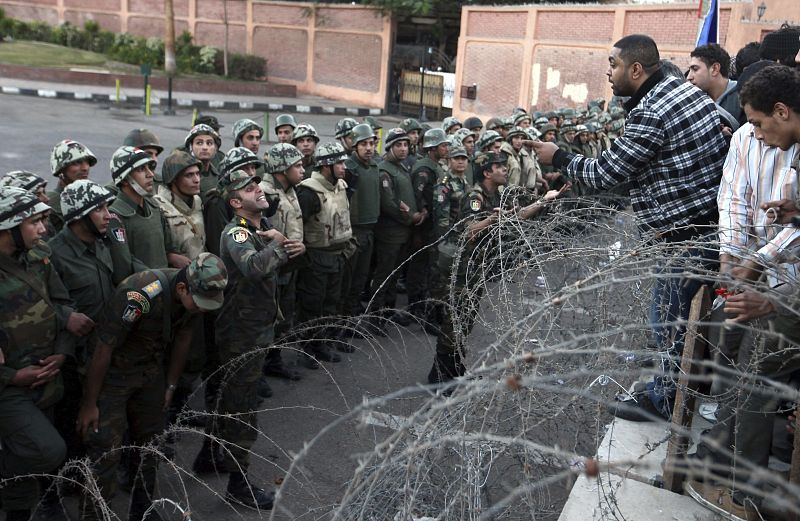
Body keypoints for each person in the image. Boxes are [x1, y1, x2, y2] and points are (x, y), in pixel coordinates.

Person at [533, 34, 727, 420]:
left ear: (636, 69)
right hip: (703, 224)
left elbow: (606, 172)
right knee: (680, 319)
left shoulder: (653, 110)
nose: (609, 72)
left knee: (667, 319)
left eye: (614, 65)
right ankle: (676, 388)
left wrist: (560, 157)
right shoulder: (683, 91)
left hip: (683, 236)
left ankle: (666, 400)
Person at [686, 64, 800, 520]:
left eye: (757, 122)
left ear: (781, 110)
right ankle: (717, 456)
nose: (754, 132)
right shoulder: (748, 142)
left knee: (756, 377)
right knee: (730, 358)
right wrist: (732, 259)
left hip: (785, 286)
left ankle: (746, 495)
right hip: (763, 278)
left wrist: (758, 268)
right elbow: (733, 200)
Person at [77, 253, 226, 521]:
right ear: (182, 288)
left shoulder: (192, 300)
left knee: (151, 444)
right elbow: (103, 348)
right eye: (200, 303)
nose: (203, 309)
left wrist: (170, 385)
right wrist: (90, 404)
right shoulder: (140, 294)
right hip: (113, 377)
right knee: (106, 451)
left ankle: (143, 509)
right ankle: (95, 515)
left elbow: (184, 337)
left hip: (149, 373)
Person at [194, 171, 301, 509]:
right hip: (241, 333)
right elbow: (254, 267)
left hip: (255, 327)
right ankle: (238, 484)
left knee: (233, 398)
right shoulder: (237, 232)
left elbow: (266, 270)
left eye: (258, 184)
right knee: (242, 409)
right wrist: (279, 244)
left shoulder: (260, 227)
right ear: (236, 202)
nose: (259, 189)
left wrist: (287, 249)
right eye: (249, 188)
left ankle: (210, 456)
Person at [427, 152, 563, 385]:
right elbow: (470, 230)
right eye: (498, 167)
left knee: (467, 318)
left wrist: (544, 201)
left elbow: (517, 216)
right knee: (456, 318)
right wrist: (491, 220)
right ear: (487, 173)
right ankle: (439, 375)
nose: (504, 169)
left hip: (477, 263)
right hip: (462, 265)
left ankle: (456, 368)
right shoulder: (475, 196)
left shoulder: (498, 194)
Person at [0, 186, 72, 521]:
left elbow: (61, 305)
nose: (43, 229)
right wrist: (12, 376)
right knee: (47, 450)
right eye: (34, 222)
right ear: (9, 227)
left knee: (31, 462)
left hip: (47, 377)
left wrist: (61, 352)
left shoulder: (39, 254)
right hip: (11, 386)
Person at [295, 143, 356, 366]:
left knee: (331, 302)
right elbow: (297, 226)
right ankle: (308, 348)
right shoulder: (309, 191)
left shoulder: (340, 185)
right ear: (325, 166)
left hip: (338, 255)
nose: (344, 167)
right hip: (317, 257)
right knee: (312, 304)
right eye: (339, 162)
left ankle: (324, 343)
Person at [260, 143, 307, 384]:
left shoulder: (289, 189)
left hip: (288, 267)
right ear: (281, 168)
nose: (303, 170)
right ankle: (256, 373)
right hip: (272, 269)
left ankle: (273, 361)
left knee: (283, 318)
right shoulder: (265, 194)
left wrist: (300, 246)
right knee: (266, 319)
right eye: (297, 166)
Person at [371, 129, 423, 324]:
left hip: (403, 233)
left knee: (395, 274)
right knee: (384, 275)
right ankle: (375, 315)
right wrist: (412, 217)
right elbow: (389, 205)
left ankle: (388, 311)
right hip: (390, 234)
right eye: (398, 145)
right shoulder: (384, 170)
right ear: (389, 147)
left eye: (405, 145)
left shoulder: (401, 168)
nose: (403, 149)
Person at [106, 146, 185, 270]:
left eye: (149, 168)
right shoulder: (115, 217)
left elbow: (169, 247)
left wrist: (173, 257)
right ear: (125, 179)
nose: (151, 174)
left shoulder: (153, 206)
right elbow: (123, 267)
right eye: (141, 169)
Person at [342, 123, 381, 316]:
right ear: (355, 146)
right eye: (363, 144)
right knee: (349, 281)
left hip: (369, 231)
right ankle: (343, 324)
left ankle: (353, 317)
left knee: (361, 279)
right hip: (353, 233)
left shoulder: (374, 166)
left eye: (371, 143)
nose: (368, 148)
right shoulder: (349, 168)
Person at [47, 140, 97, 232]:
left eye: (87, 162)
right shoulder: (52, 203)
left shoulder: (90, 196)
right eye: (76, 163)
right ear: (61, 169)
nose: (85, 168)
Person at [687, 43, 743, 125]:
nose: (689, 77)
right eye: (689, 70)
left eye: (695, 69)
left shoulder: (742, 97)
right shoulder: (694, 100)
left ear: (715, 69)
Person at [184, 124, 222, 203]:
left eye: (209, 143)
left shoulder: (221, 175)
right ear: (191, 147)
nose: (204, 147)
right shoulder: (182, 174)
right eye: (199, 143)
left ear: (215, 149)